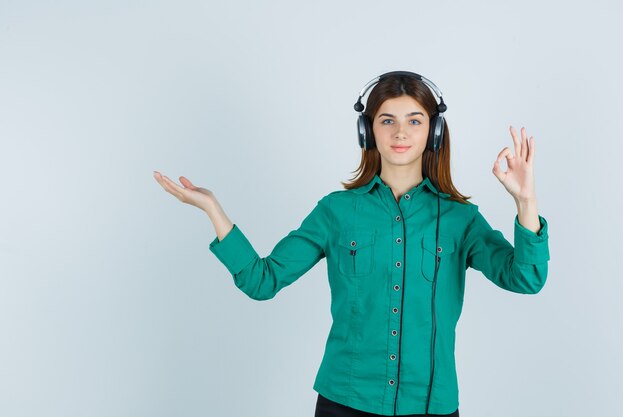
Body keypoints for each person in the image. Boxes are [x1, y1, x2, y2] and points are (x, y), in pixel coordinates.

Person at [153, 72, 550, 417]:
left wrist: (525, 201)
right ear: (368, 130)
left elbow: (527, 278)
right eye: (387, 120)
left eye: (415, 120)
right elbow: (263, 280)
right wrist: (212, 208)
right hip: (345, 404)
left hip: (431, 405)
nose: (400, 132)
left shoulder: (461, 220)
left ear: (434, 131)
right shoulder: (336, 212)